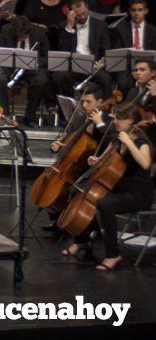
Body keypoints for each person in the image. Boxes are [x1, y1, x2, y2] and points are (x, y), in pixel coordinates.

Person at [60, 102, 152, 272]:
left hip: (138, 194)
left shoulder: (141, 143)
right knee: (74, 191)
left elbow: (146, 164)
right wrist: (96, 161)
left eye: (118, 118)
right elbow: (103, 159)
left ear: (129, 121)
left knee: (105, 204)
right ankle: (82, 240)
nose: (114, 121)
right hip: (118, 188)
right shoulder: (117, 139)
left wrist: (129, 143)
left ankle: (113, 255)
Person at [0, 16, 50, 127]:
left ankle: (30, 117)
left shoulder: (40, 32)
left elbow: (46, 55)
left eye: (24, 36)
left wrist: (38, 62)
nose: (21, 38)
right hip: (10, 66)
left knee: (41, 80)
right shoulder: (6, 30)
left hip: (32, 68)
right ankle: (5, 114)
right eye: (19, 36)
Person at [53, 0, 112, 97]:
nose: (82, 17)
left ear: (87, 7)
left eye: (83, 13)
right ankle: (65, 109)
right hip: (72, 67)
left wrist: (102, 63)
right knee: (58, 76)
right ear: (72, 13)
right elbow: (63, 51)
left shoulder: (101, 26)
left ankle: (104, 110)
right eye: (78, 15)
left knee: (106, 79)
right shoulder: (64, 26)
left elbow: (106, 50)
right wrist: (69, 27)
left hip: (93, 66)